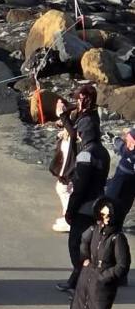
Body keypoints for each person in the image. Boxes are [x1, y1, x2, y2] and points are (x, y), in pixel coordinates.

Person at [62, 197, 133, 309]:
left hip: (103, 285)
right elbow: (83, 242)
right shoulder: (93, 228)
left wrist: (104, 276)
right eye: (102, 214)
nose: (105, 218)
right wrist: (85, 258)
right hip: (86, 278)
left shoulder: (118, 238)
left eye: (108, 215)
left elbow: (122, 266)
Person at [57, 116, 110, 294]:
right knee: (91, 246)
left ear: (83, 133)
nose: (77, 136)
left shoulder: (85, 154)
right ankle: (76, 280)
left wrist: (70, 210)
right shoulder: (104, 152)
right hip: (99, 204)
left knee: (76, 246)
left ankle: (82, 284)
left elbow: (79, 187)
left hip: (84, 208)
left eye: (79, 132)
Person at [48, 98, 76, 233]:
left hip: (69, 167)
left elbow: (70, 129)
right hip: (67, 165)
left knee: (64, 190)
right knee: (65, 190)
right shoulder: (70, 123)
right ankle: (68, 218)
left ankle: (69, 220)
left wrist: (62, 114)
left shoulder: (72, 121)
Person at [106, 127, 135, 225]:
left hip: (124, 197)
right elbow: (120, 145)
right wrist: (114, 138)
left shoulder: (132, 157)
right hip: (113, 191)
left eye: (130, 141)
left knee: (115, 223)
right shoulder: (127, 150)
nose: (128, 143)